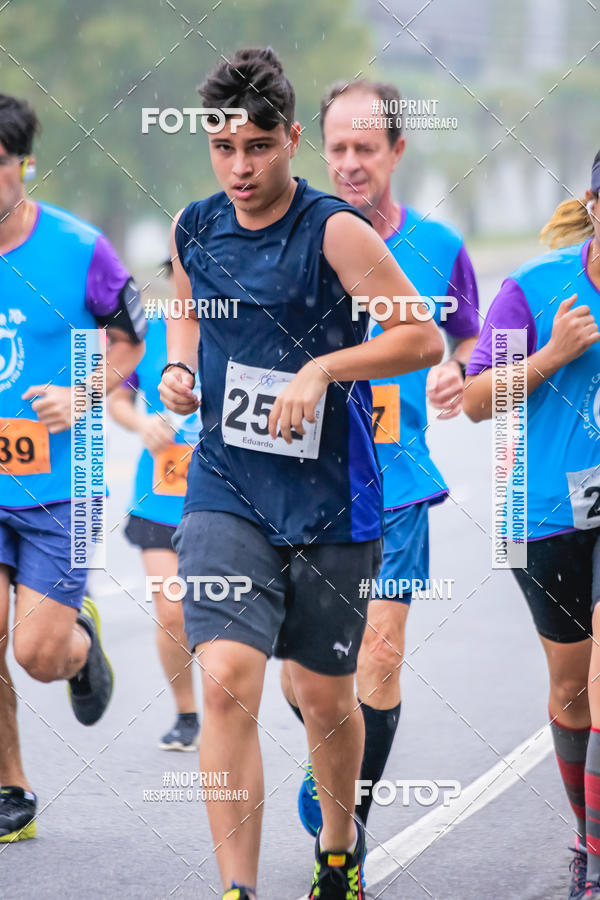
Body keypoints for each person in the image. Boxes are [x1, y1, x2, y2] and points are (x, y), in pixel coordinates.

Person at [158, 47, 444, 900]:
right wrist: (177, 371)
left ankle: (339, 845)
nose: (239, 168)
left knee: (325, 700)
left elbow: (421, 337)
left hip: (330, 501)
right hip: (227, 490)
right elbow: (186, 315)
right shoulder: (194, 228)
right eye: (223, 149)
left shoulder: (334, 230)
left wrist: (324, 369)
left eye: (257, 147)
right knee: (225, 682)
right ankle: (237, 888)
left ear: (290, 139)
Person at [280, 77, 480, 844]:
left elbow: (470, 331)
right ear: (317, 149)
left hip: (396, 483)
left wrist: (465, 365)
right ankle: (324, 755)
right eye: (339, 148)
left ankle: (347, 833)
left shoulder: (440, 249)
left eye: (368, 147)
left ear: (398, 149)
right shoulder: (293, 237)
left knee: (381, 657)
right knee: (307, 679)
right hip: (306, 489)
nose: (352, 163)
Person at [0, 94, 145, 842]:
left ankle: (78, 644)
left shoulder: (80, 248)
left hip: (62, 485)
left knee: (36, 654)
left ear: (23, 164)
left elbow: (130, 341)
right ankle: (10, 788)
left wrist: (81, 393)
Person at [463, 151, 600, 900]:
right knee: (572, 690)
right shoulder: (537, 288)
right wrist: (553, 353)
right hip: (539, 515)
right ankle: (587, 834)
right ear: (593, 204)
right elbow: (480, 397)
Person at [108, 259, 201, 750]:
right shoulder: (154, 332)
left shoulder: (250, 325)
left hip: (232, 498)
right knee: (172, 612)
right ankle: (187, 713)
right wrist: (139, 424)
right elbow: (119, 398)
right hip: (162, 497)